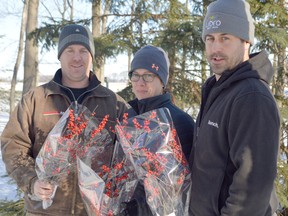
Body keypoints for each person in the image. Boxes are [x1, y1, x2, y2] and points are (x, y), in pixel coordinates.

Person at [1, 24, 128, 215]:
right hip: (45, 211)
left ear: (91, 56)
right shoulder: (36, 99)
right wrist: (32, 181)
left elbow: (130, 156)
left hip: (94, 210)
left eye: (83, 51)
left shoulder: (114, 104)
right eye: (69, 50)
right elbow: (13, 146)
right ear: (60, 55)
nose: (77, 57)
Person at [188, 0, 280, 215]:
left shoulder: (251, 96)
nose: (215, 48)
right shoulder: (217, 91)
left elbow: (252, 189)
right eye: (210, 39)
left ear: (246, 41)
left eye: (225, 38)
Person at [124, 45, 195, 215]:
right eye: (136, 75)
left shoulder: (180, 121)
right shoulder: (126, 118)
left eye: (148, 75)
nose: (140, 82)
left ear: (162, 80)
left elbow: (185, 183)